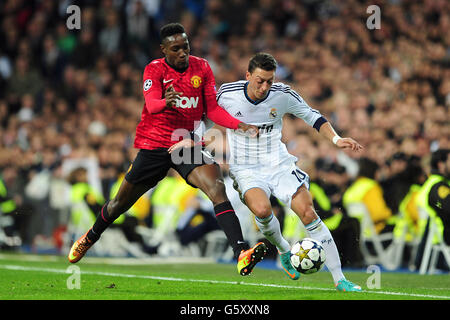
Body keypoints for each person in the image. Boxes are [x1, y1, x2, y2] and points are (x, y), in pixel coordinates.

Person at [68, 23, 268, 277]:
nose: (183, 52)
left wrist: (240, 125)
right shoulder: (154, 69)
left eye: (186, 46)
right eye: (176, 49)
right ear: (164, 49)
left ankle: (241, 252)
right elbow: (151, 106)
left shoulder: (202, 67)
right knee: (119, 204)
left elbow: (213, 110)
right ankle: (90, 236)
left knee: (217, 189)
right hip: (154, 145)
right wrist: (166, 101)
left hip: (185, 143)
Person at [212, 52, 363, 291]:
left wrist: (336, 139)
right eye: (259, 80)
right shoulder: (227, 93)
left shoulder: (282, 95)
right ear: (248, 75)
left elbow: (313, 117)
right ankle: (284, 250)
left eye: (269, 81)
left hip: (279, 164)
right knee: (262, 210)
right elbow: (203, 112)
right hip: (246, 168)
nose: (264, 87)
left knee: (309, 213)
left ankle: (340, 279)